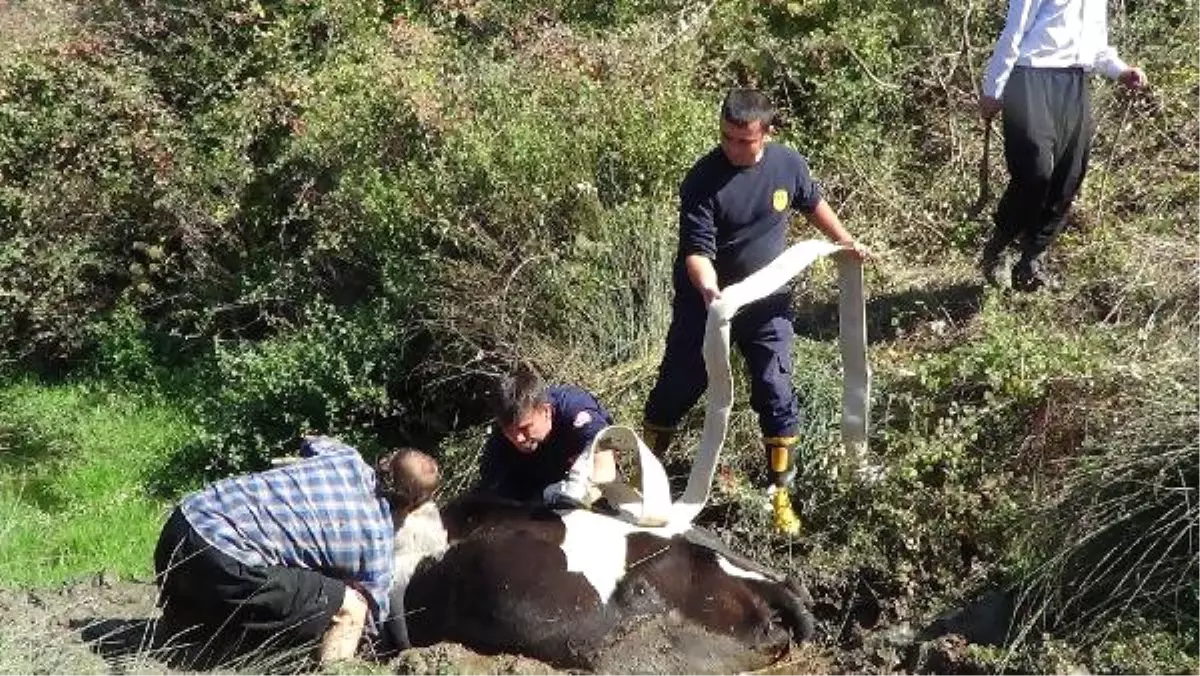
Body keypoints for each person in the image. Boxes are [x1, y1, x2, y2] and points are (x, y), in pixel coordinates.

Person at [641, 88, 870, 537]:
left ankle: (779, 494)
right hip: (706, 306)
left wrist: (845, 241)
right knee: (678, 386)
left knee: (774, 388)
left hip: (769, 303)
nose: (732, 147)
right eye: (726, 137)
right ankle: (647, 474)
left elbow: (812, 201)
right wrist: (711, 292)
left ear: (766, 133)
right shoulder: (703, 180)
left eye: (742, 140)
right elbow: (695, 251)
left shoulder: (788, 165)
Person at [153, 435, 439, 664]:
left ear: (385, 461)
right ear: (412, 507)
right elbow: (373, 618)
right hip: (218, 561)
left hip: (180, 526)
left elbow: (312, 441)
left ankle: (186, 631)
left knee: (284, 574)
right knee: (353, 606)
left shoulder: (346, 457)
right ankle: (336, 672)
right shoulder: (375, 543)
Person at [978, 0, 1147, 291]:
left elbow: (1097, 46)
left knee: (1070, 173)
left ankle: (1032, 258)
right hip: (1029, 76)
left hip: (1074, 82)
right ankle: (1000, 245)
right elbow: (1013, 33)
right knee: (1035, 170)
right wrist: (993, 90)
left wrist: (1121, 71)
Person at [476, 367, 616, 507]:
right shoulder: (499, 442)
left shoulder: (573, 409)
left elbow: (604, 452)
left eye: (524, 428)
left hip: (586, 493)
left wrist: (578, 494)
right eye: (508, 431)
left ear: (546, 411)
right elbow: (489, 495)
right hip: (534, 503)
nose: (518, 438)